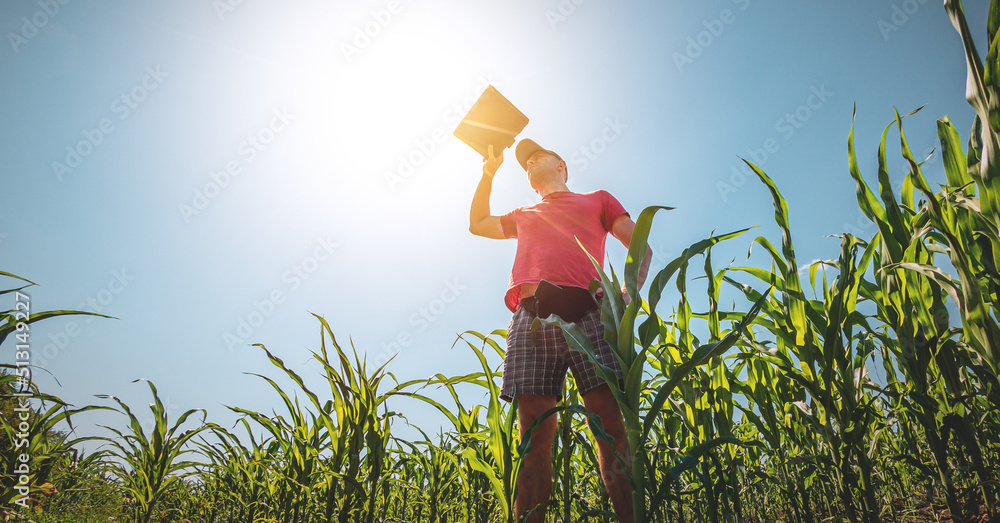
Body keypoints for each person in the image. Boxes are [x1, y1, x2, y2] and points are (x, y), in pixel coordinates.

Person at [468, 139, 650, 523]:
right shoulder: (525, 212)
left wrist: (627, 294)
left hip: (591, 315)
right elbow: (478, 224)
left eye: (538, 157)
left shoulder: (597, 200)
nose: (530, 162)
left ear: (562, 166)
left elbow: (639, 244)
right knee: (533, 434)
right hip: (532, 318)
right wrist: (488, 172)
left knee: (610, 424)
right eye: (526, 163)